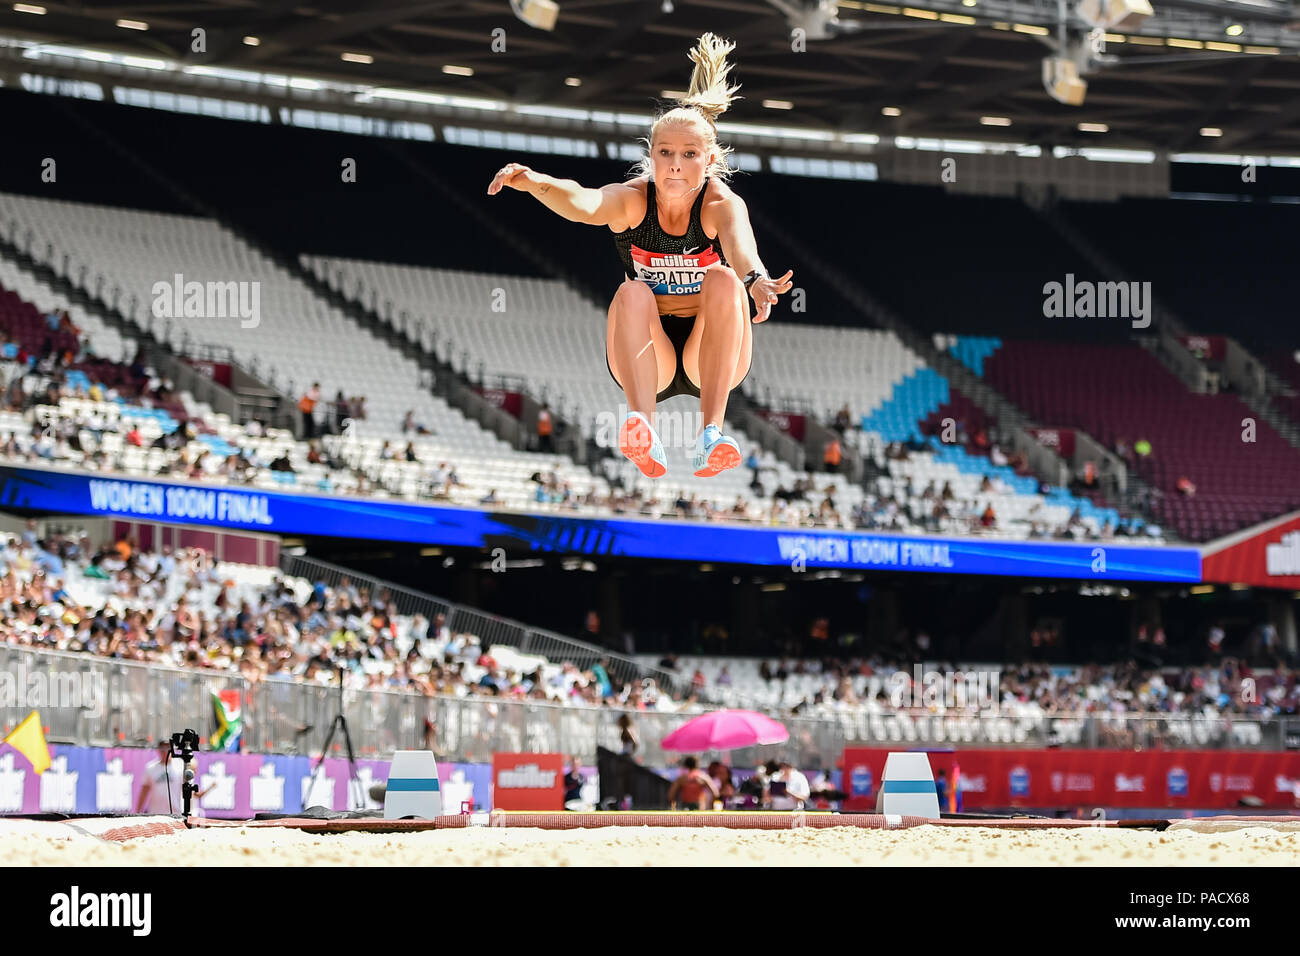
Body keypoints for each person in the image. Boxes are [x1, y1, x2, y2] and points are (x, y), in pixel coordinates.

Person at [488, 32, 793, 481]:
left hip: (709, 354)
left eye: (688, 155)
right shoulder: (634, 201)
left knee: (724, 281)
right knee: (631, 291)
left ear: (708, 161)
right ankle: (642, 427)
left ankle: (711, 433)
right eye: (665, 153)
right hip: (648, 357)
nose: (674, 164)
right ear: (650, 156)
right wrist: (536, 183)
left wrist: (755, 280)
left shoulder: (720, 205)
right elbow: (586, 203)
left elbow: (739, 246)